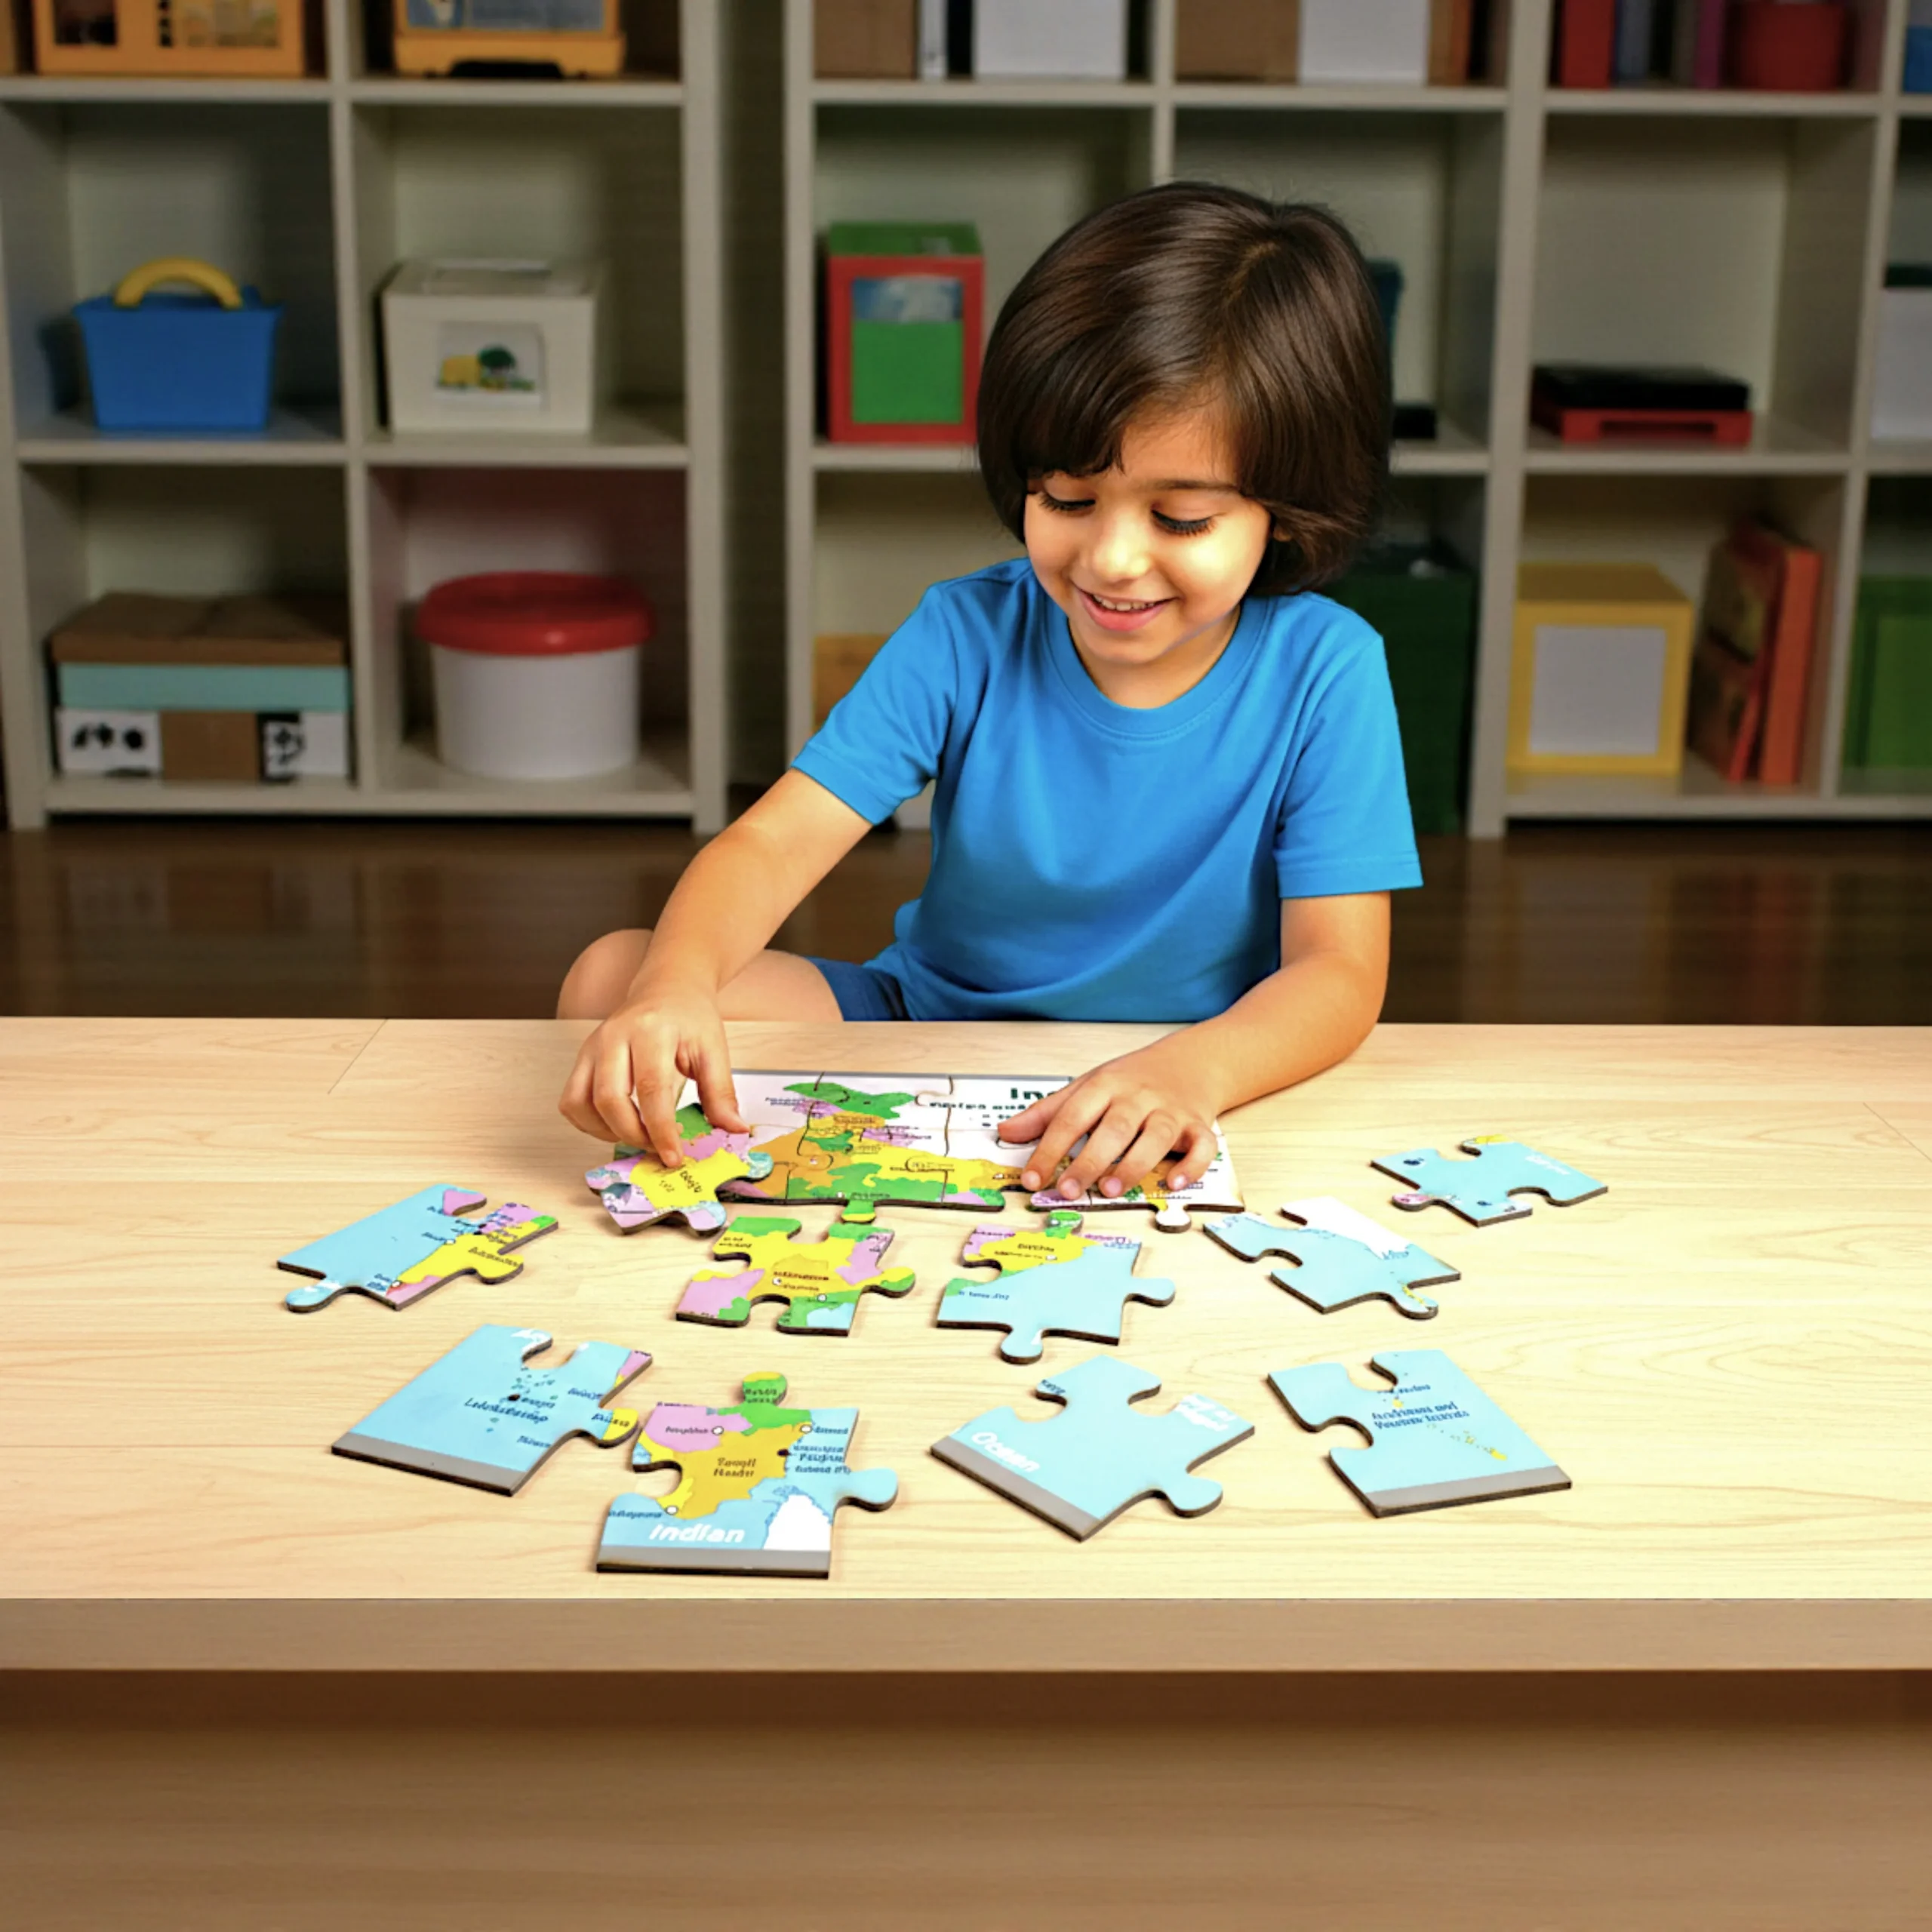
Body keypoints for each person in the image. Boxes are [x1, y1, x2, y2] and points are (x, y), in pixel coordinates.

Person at [558, 180, 1420, 1206]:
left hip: (1186, 1060)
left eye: (1181, 518)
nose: (1111, 557)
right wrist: (674, 991)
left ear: (1285, 511)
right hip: (930, 1027)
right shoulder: (965, 630)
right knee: (618, 974)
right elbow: (775, 842)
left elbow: (1338, 974)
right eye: (1067, 498)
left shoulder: (1330, 669)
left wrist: (1199, 1070)